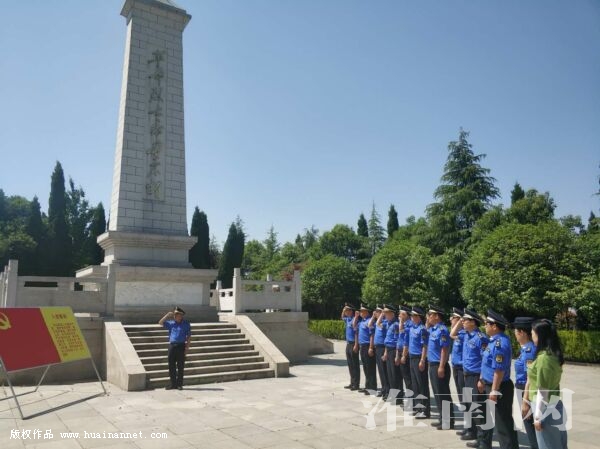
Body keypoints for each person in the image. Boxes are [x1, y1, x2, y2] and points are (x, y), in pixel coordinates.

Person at [478, 309, 519, 449]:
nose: (485, 326)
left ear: (494, 326)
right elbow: (487, 363)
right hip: (491, 384)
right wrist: (482, 380)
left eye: (487, 323)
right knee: (500, 421)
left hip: (499, 386)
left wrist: (494, 390)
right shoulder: (493, 341)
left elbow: (499, 370)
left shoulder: (500, 343)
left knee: (503, 424)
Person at [525, 319, 567, 449]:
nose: (531, 336)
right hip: (553, 404)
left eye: (532, 333)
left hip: (545, 408)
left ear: (540, 335)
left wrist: (538, 416)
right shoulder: (552, 354)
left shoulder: (544, 358)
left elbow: (542, 391)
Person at [454, 308, 486, 444]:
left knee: (477, 407)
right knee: (468, 404)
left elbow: (485, 360)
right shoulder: (466, 335)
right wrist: (460, 322)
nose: (463, 321)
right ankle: (471, 430)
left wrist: (481, 379)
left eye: (465, 320)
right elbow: (452, 334)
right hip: (466, 375)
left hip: (475, 376)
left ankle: (481, 438)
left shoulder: (480, 338)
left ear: (473, 322)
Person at [427, 305, 455, 430]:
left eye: (430, 315)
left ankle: (448, 421)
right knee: (438, 394)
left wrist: (442, 366)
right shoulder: (433, 329)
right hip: (432, 365)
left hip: (439, 365)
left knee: (443, 394)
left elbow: (445, 349)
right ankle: (442, 418)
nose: (428, 317)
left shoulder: (442, 330)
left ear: (437, 316)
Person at [513, 317, 539, 449]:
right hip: (522, 388)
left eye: (515, 331)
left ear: (522, 332)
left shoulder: (529, 351)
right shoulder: (525, 349)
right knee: (529, 423)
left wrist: (525, 401)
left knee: (530, 425)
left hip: (526, 390)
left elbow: (530, 377)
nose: (514, 334)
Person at [402, 306, 430, 419]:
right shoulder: (411, 328)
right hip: (411, 357)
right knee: (415, 384)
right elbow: (406, 343)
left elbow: (424, 346)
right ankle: (417, 407)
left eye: (414, 315)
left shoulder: (422, 329)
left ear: (419, 317)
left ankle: (425, 410)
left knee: (422, 384)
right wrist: (404, 355)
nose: (412, 317)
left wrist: (422, 360)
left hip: (419, 358)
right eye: (412, 315)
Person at [158, 306, 191, 390]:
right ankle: (173, 384)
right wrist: (167, 315)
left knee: (180, 366)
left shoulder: (186, 324)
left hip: (181, 346)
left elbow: (188, 337)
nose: (175, 316)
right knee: (171, 366)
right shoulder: (171, 323)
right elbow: (160, 322)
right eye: (175, 315)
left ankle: (179, 384)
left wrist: (187, 348)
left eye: (177, 315)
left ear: (181, 316)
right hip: (172, 346)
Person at [382, 304, 401, 403]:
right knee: (390, 374)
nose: (384, 314)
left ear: (392, 313)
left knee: (395, 375)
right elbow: (387, 339)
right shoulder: (388, 324)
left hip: (394, 350)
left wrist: (397, 355)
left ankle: (398, 397)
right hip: (388, 350)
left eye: (386, 313)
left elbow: (398, 341)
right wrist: (385, 352)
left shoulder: (396, 325)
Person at [355, 304, 377, 394]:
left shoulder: (370, 321)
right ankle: (367, 386)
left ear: (367, 312)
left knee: (370, 368)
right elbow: (354, 326)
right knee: (365, 367)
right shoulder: (361, 321)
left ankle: (372, 387)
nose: (360, 312)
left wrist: (371, 347)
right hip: (362, 346)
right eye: (360, 311)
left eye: (362, 311)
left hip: (368, 346)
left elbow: (372, 335)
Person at [395, 305, 413, 407]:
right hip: (400, 351)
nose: (399, 315)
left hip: (406, 352)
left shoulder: (409, 324)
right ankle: (403, 399)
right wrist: (397, 354)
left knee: (408, 379)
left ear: (407, 315)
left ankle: (411, 401)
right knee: (400, 376)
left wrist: (404, 355)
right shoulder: (402, 324)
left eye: (402, 314)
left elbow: (406, 341)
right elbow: (399, 340)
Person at [449, 308, 466, 409]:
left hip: (462, 368)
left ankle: (469, 415)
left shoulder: (464, 333)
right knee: (460, 392)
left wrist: (459, 322)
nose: (450, 319)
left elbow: (451, 334)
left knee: (465, 394)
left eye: (453, 317)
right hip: (455, 366)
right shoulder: (459, 333)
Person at [341, 303, 360, 391]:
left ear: (351, 311)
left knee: (355, 365)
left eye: (347, 310)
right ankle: (352, 382)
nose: (346, 312)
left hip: (353, 344)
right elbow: (342, 317)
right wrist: (344, 309)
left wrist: (356, 344)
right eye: (346, 311)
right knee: (350, 364)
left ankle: (356, 384)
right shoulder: (348, 319)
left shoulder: (354, 319)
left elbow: (356, 333)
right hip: (348, 344)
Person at [372, 304, 389, 398]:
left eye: (378, 312)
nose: (376, 313)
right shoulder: (378, 322)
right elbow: (370, 325)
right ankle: (383, 389)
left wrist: (382, 315)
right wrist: (375, 316)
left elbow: (378, 324)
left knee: (384, 370)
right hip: (377, 348)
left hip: (382, 348)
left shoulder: (385, 323)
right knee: (381, 370)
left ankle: (387, 391)